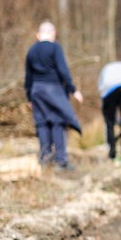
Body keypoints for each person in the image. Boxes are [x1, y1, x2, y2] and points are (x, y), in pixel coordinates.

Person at [24, 21, 83, 170]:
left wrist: (29, 97)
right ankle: (60, 161)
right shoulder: (55, 47)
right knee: (58, 122)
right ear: (53, 33)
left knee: (42, 123)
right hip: (53, 88)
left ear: (38, 35)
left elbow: (28, 77)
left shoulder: (31, 50)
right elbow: (63, 70)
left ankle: (45, 158)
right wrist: (73, 90)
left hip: (36, 90)